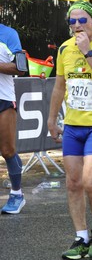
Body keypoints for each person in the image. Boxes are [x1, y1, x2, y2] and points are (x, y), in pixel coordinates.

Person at [47, 0, 92, 259]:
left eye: (82, 20)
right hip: (74, 125)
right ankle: (81, 237)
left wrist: (88, 52)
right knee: (73, 183)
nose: (77, 25)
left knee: (90, 181)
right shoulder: (64, 49)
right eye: (72, 21)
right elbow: (59, 87)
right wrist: (52, 119)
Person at [0, 23, 26, 214]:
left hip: (4, 98)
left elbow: (21, 67)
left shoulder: (9, 34)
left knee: (8, 150)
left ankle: (17, 194)